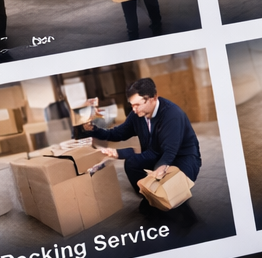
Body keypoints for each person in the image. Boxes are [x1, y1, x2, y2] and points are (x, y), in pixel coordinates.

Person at [81, 77, 200, 209]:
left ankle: (164, 197)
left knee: (172, 196)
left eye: (137, 104)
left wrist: (157, 172)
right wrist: (93, 130)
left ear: (153, 98)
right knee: (132, 163)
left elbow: (168, 152)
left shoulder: (172, 114)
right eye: (132, 105)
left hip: (182, 158)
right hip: (157, 155)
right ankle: (149, 197)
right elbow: (118, 133)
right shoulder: (137, 115)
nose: (134, 109)